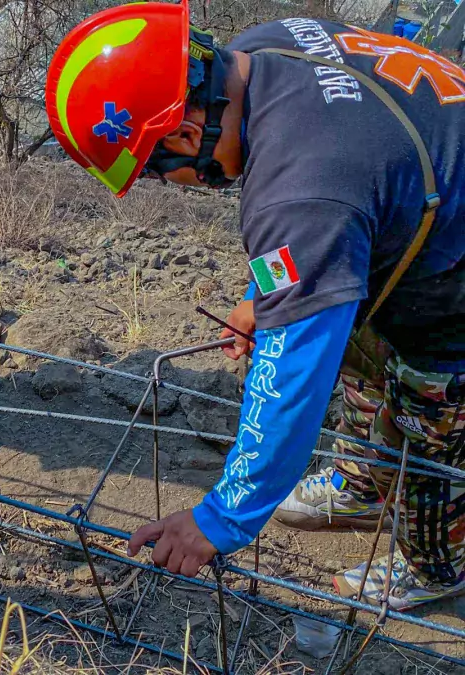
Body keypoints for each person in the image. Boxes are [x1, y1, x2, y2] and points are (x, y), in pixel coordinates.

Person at [46, 1, 465, 609]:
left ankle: (439, 566)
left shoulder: (301, 191)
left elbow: (290, 375)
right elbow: (333, 216)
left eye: (160, 172)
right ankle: (363, 487)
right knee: (347, 333)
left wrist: (223, 518)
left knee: (432, 418)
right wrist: (261, 293)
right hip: (435, 211)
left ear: (188, 137)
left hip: (451, 290)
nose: (173, 185)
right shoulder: (265, 48)